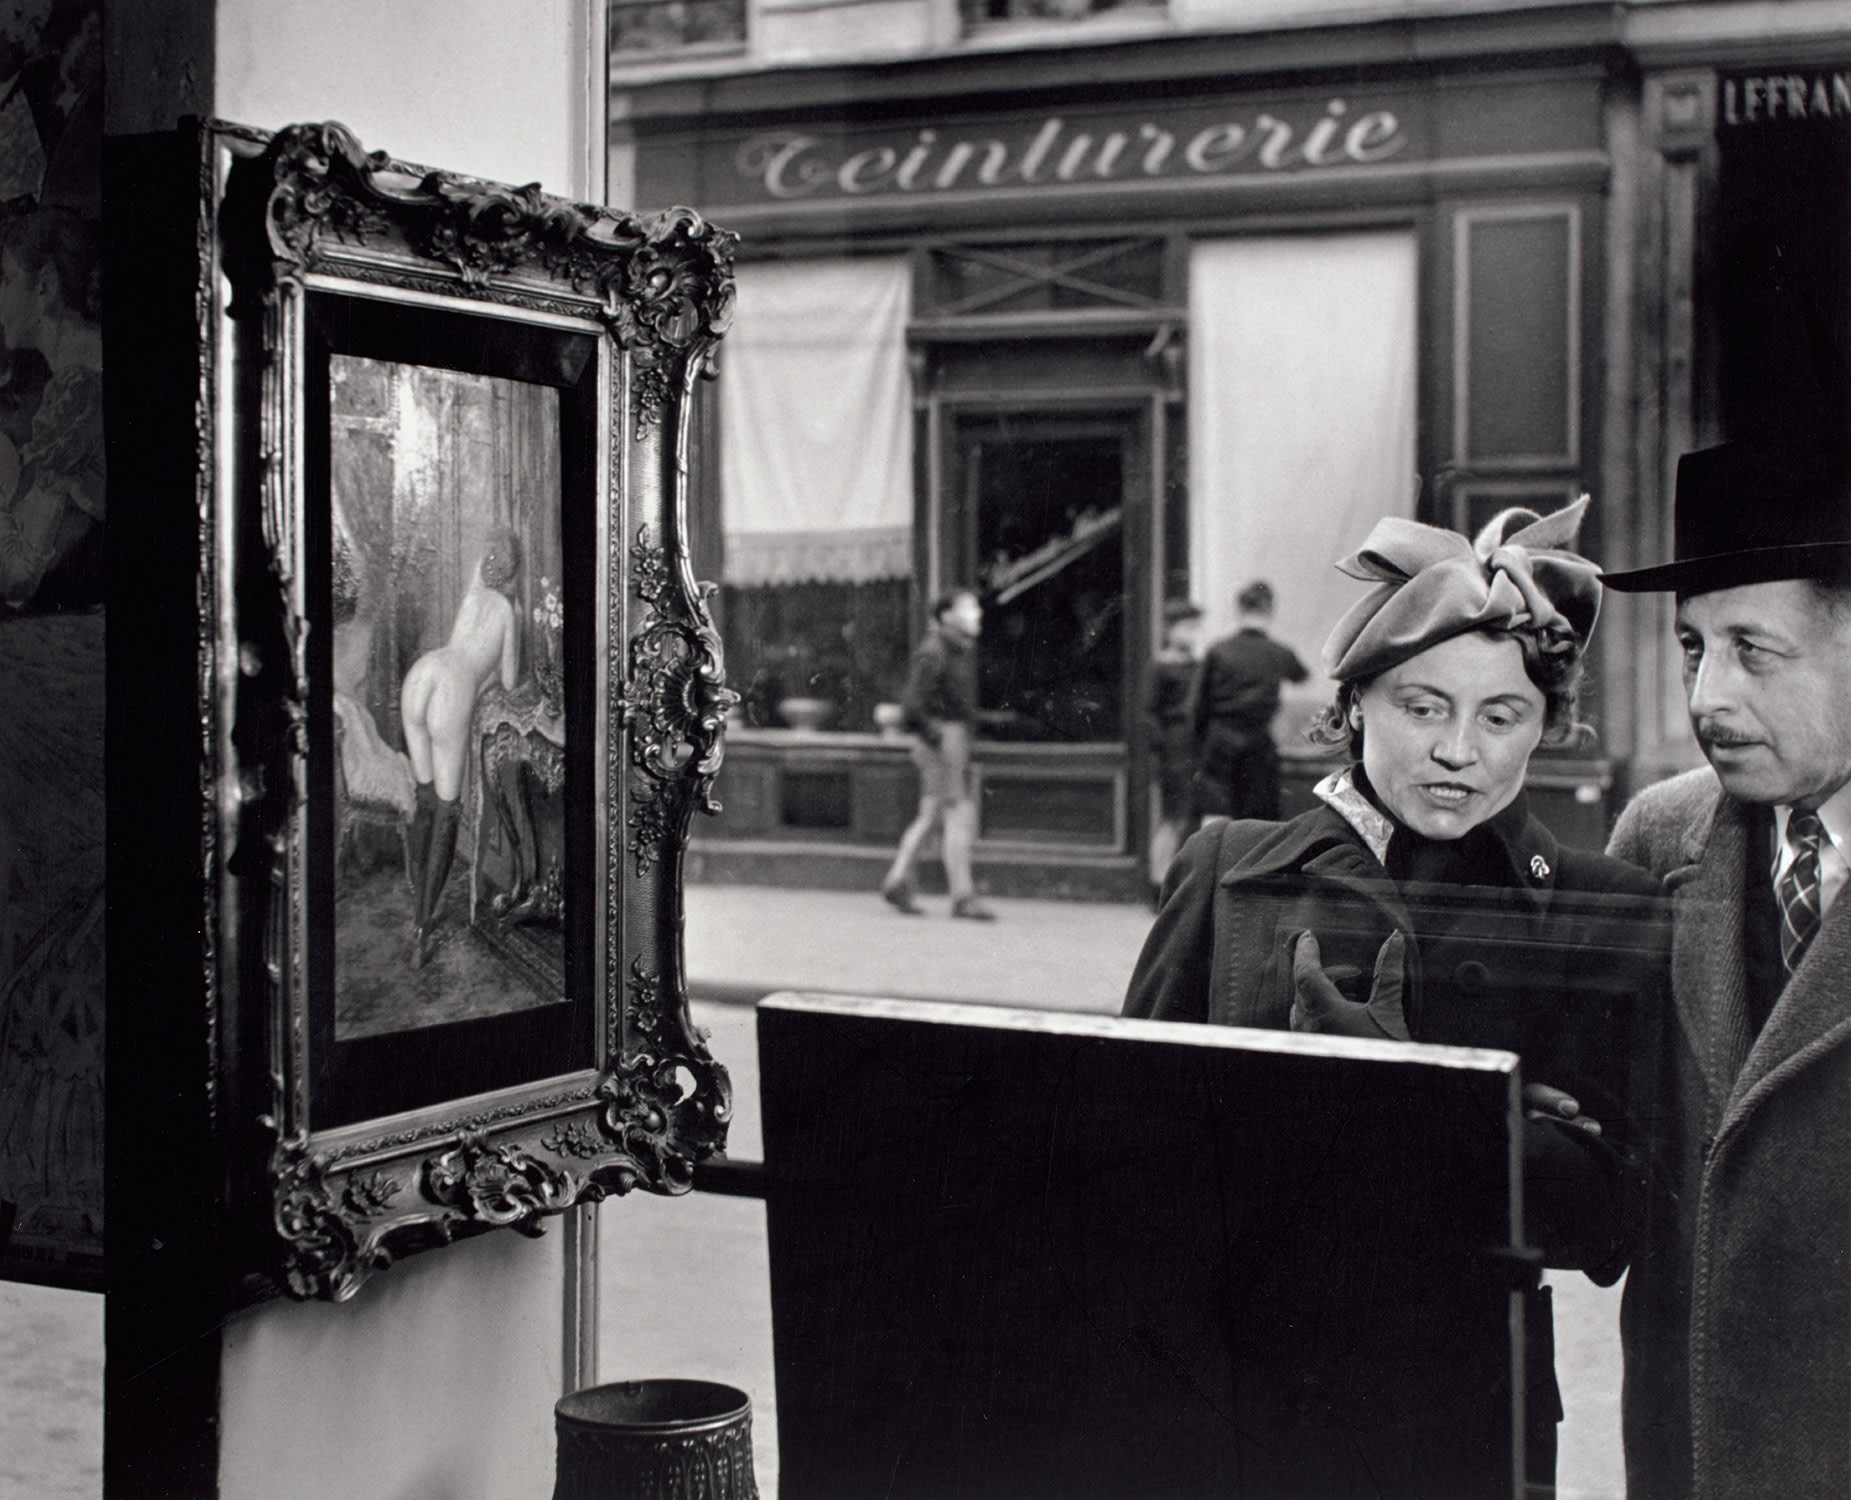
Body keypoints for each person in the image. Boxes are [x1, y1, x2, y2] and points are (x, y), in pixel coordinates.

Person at [1125, 500, 1670, 1495]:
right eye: (1423, 708)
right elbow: (1127, 1168)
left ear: (1547, 726)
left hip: (1459, 1418)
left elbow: (1608, 1224)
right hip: (1234, 1402)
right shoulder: (1227, 870)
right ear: (1355, 705)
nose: (1459, 752)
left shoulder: (1604, 908)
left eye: (1502, 717)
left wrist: (1414, 1101)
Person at [1600, 441, 1851, 1500]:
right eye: (1694, 645)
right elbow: (1599, 1149)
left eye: (1755, 650)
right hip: (1690, 1451)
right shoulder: (1659, 839)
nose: (1707, 695)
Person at [399, 526, 523, 965]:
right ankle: (420, 927)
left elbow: (479, 582)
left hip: (422, 674)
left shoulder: (472, 598)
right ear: (514, 573)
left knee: (425, 798)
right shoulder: (508, 610)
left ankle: (418, 899)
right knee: (447, 811)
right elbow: (509, 681)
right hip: (453, 690)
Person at [882, 588, 995, 921]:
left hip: (944, 738)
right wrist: (940, 739)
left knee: (931, 814)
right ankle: (962, 896)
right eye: (967, 609)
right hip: (944, 738)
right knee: (959, 813)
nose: (976, 615)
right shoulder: (936, 651)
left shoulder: (948, 650)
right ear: (946, 616)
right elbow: (912, 706)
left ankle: (898, 879)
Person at [1189, 579, 1308, 822]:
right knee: (1258, 819)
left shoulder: (1218, 651)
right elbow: (1301, 676)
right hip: (1258, 743)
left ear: (1239, 610)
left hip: (1219, 742)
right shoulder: (1278, 652)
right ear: (1269, 611)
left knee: (1215, 813)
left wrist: (1201, 742)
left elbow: (1197, 705)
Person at [1145, 598, 1203, 895]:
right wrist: (1164, 748)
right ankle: (1158, 882)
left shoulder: (1198, 665)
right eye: (1187, 627)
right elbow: (1150, 713)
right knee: (1173, 818)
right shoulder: (1161, 666)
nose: (1192, 633)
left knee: (1188, 818)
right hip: (1174, 748)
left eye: (1195, 627)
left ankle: (1174, 883)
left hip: (1195, 747)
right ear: (1170, 630)